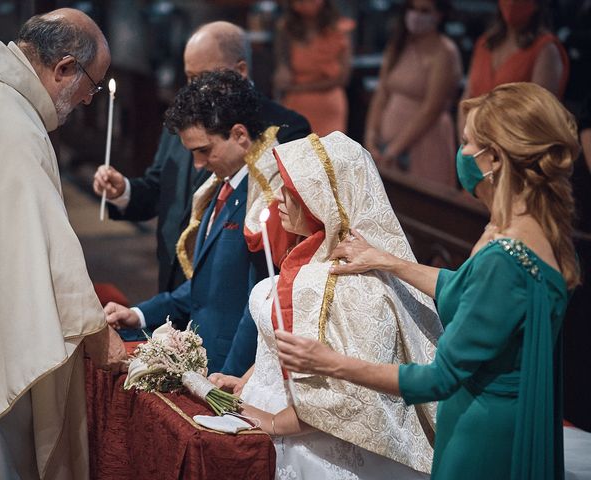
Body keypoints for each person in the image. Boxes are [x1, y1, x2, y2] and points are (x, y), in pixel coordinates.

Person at [276, 82, 580, 479]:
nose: (462, 153)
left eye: (469, 143)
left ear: (496, 159)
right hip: (507, 413)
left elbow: (437, 378)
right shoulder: (536, 229)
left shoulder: (505, 258)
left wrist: (330, 363)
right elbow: (465, 291)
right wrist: (386, 261)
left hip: (483, 433)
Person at [0, 9, 126, 479]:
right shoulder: (10, 124)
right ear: (64, 67)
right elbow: (48, 250)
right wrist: (97, 336)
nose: (89, 100)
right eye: (92, 85)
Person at [212, 132, 442, 478]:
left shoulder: (357, 288)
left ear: (326, 199)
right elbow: (283, 345)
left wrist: (273, 420)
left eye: (291, 189)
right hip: (269, 412)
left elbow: (350, 394)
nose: (277, 198)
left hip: (319, 450)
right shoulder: (306, 257)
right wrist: (249, 381)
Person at [93, 21, 310, 295]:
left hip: (233, 292)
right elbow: (159, 188)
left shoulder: (285, 128)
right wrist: (123, 190)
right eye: (189, 77)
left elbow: (288, 225)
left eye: (203, 78)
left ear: (240, 71)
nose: (193, 89)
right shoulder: (184, 118)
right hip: (172, 280)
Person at [104, 70, 279, 376]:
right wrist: (139, 314)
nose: (198, 164)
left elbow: (261, 303)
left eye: (204, 151)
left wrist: (232, 376)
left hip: (230, 371)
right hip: (203, 361)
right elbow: (203, 289)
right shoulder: (220, 187)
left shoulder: (264, 197)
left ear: (240, 135)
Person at [363, 0, 461, 187]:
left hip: (425, 143)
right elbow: (382, 94)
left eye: (424, 11)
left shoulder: (445, 52)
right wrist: (371, 136)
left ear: (439, 15)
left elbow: (432, 108)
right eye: (412, 9)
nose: (416, 16)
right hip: (386, 146)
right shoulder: (398, 45)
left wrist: (394, 149)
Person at [457, 0, 569, 133]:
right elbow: (467, 96)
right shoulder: (485, 43)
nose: (511, 3)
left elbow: (539, 113)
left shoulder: (546, 49)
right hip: (474, 141)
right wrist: (466, 140)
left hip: (516, 144)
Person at [273, 0, 354, 136]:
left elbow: (343, 78)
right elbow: (281, 69)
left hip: (328, 105)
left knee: (329, 152)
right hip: (296, 105)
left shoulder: (340, 28)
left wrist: (298, 88)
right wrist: (282, 76)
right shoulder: (287, 29)